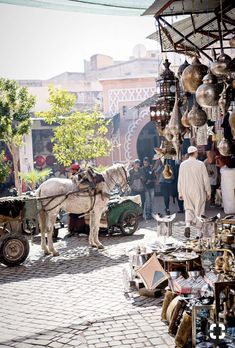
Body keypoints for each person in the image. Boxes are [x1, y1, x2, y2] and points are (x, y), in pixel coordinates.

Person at [178, 146, 211, 238]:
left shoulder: (183, 164)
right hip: (198, 190)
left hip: (187, 190)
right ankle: (198, 233)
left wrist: (180, 192)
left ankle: (187, 225)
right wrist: (208, 191)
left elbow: (180, 180)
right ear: (195, 153)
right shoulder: (200, 164)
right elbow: (206, 179)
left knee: (188, 208)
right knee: (199, 210)